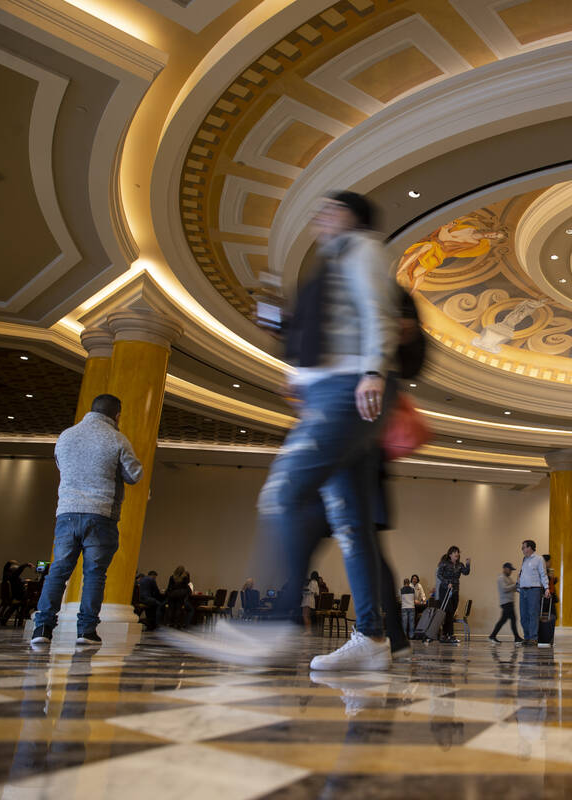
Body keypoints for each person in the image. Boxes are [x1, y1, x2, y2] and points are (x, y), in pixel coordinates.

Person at [165, 191, 400, 672]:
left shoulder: (362, 250)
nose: (321, 217)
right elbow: (330, 330)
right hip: (331, 392)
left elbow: (378, 312)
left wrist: (374, 371)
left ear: (351, 216)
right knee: (352, 525)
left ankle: (268, 625)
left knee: (282, 494)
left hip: (347, 391)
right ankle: (373, 639)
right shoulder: (332, 264)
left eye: (330, 209)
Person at [31, 393, 143, 646]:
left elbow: (62, 466)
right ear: (117, 415)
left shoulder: (66, 436)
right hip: (100, 515)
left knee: (57, 572)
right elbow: (134, 475)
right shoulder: (117, 438)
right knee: (94, 575)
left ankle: (42, 629)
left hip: (67, 513)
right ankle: (86, 632)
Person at [516, 539, 548, 647]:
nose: (522, 550)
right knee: (523, 615)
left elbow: (543, 574)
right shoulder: (524, 559)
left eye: (523, 547)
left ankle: (533, 638)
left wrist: (547, 588)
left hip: (534, 590)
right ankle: (527, 637)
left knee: (533, 614)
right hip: (523, 590)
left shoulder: (539, 559)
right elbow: (522, 574)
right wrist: (518, 584)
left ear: (529, 547)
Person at [435, 546, 471, 643]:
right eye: (455, 552)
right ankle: (450, 635)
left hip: (455, 591)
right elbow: (439, 574)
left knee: (451, 613)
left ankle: (444, 635)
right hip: (445, 590)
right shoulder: (444, 563)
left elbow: (466, 572)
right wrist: (447, 582)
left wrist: (468, 564)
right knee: (449, 611)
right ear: (450, 554)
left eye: (458, 552)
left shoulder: (460, 565)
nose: (457, 554)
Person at [489, 562, 521, 643]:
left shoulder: (509, 578)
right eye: (510, 569)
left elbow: (514, 588)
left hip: (510, 602)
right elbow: (504, 589)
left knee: (508, 620)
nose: (511, 571)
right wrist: (516, 584)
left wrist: (521, 590)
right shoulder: (501, 578)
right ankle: (516, 638)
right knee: (508, 620)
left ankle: (493, 636)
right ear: (505, 569)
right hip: (506, 603)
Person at [0, 561, 33, 625]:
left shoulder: (7, 575)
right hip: (17, 595)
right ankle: (24, 616)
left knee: (18, 605)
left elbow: (5, 568)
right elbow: (19, 571)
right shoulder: (13, 576)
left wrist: (9, 562)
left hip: (15, 596)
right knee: (27, 601)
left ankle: (5, 619)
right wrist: (26, 564)